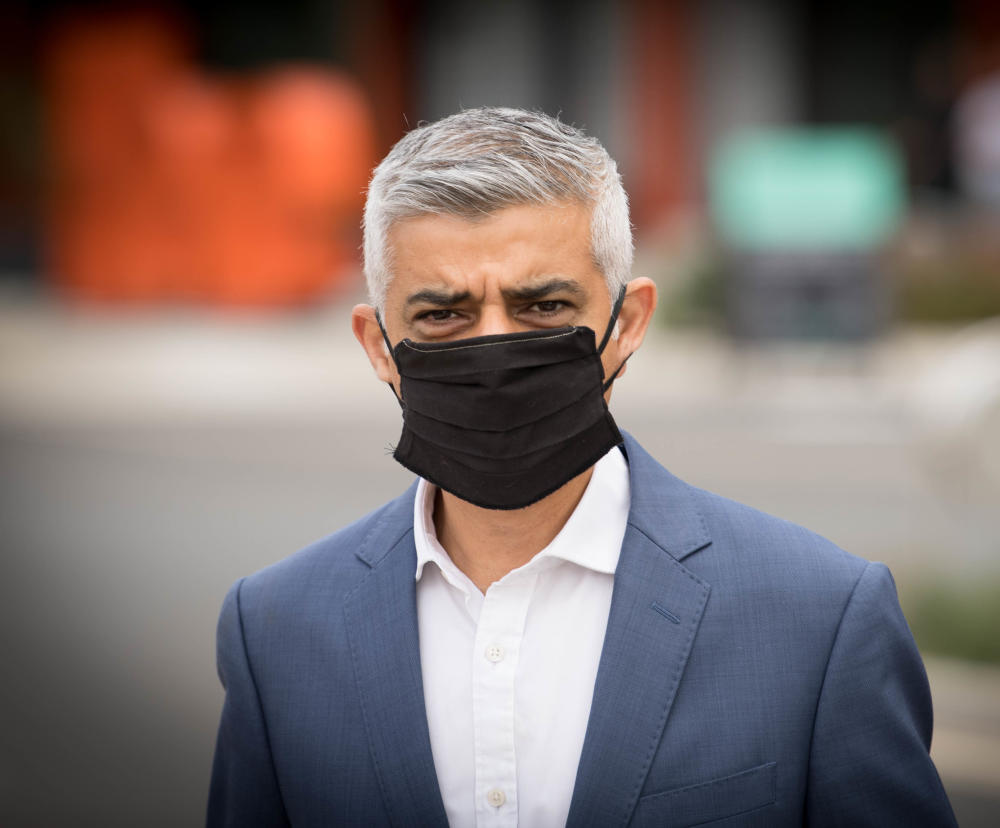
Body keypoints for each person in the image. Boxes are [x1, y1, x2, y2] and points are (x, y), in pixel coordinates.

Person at [207, 107, 957, 827]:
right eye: (443, 315)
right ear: (377, 347)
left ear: (627, 325)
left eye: (543, 308)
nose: (494, 348)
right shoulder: (276, 630)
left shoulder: (818, 618)